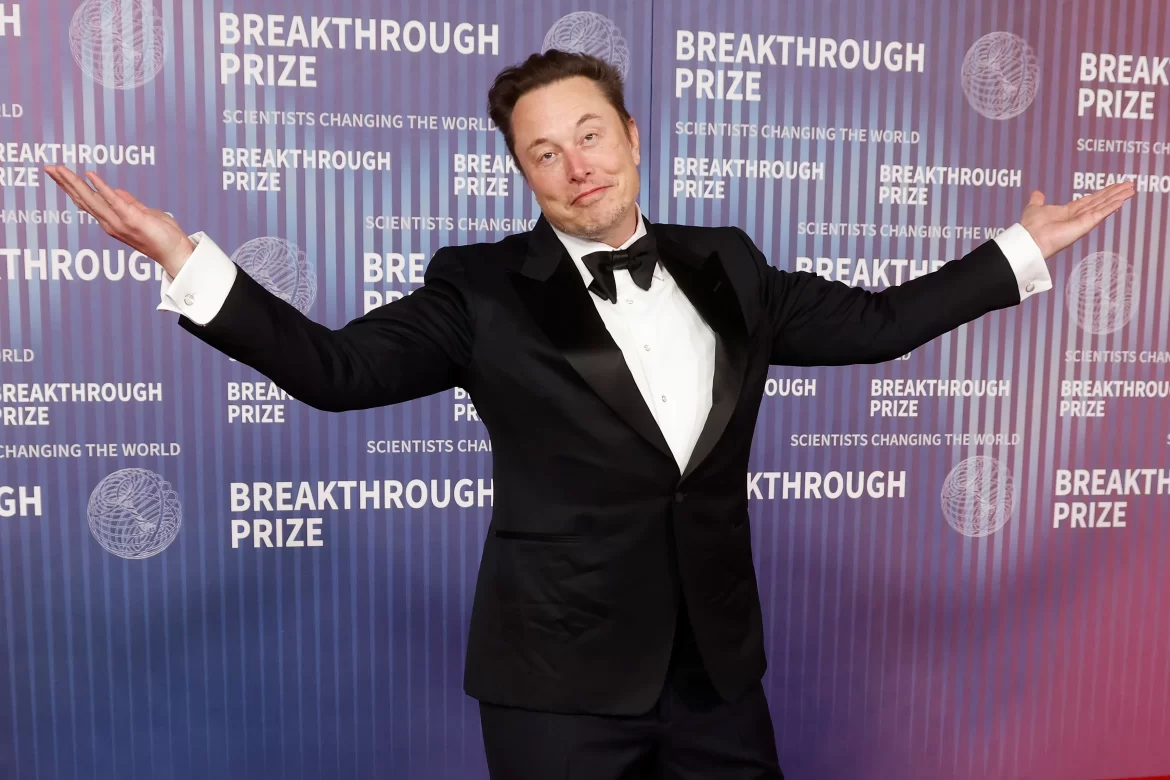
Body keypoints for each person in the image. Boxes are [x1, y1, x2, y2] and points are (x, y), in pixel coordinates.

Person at [45, 49, 1134, 780]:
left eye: (590, 134)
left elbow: (881, 325)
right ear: (522, 172)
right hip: (556, 689)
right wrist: (190, 263)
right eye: (543, 151)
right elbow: (335, 369)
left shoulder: (731, 265)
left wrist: (1020, 251)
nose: (576, 166)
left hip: (717, 679)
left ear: (632, 133)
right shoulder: (479, 290)